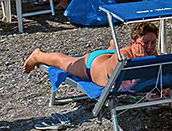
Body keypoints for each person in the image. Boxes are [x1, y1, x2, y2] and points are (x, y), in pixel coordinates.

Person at [21, 22, 160, 87]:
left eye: (153, 42)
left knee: (112, 51)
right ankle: (37, 55)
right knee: (64, 62)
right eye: (145, 42)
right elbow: (122, 80)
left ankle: (111, 46)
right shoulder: (122, 56)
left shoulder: (152, 52)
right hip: (92, 64)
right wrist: (142, 61)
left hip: (109, 55)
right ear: (133, 42)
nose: (149, 47)